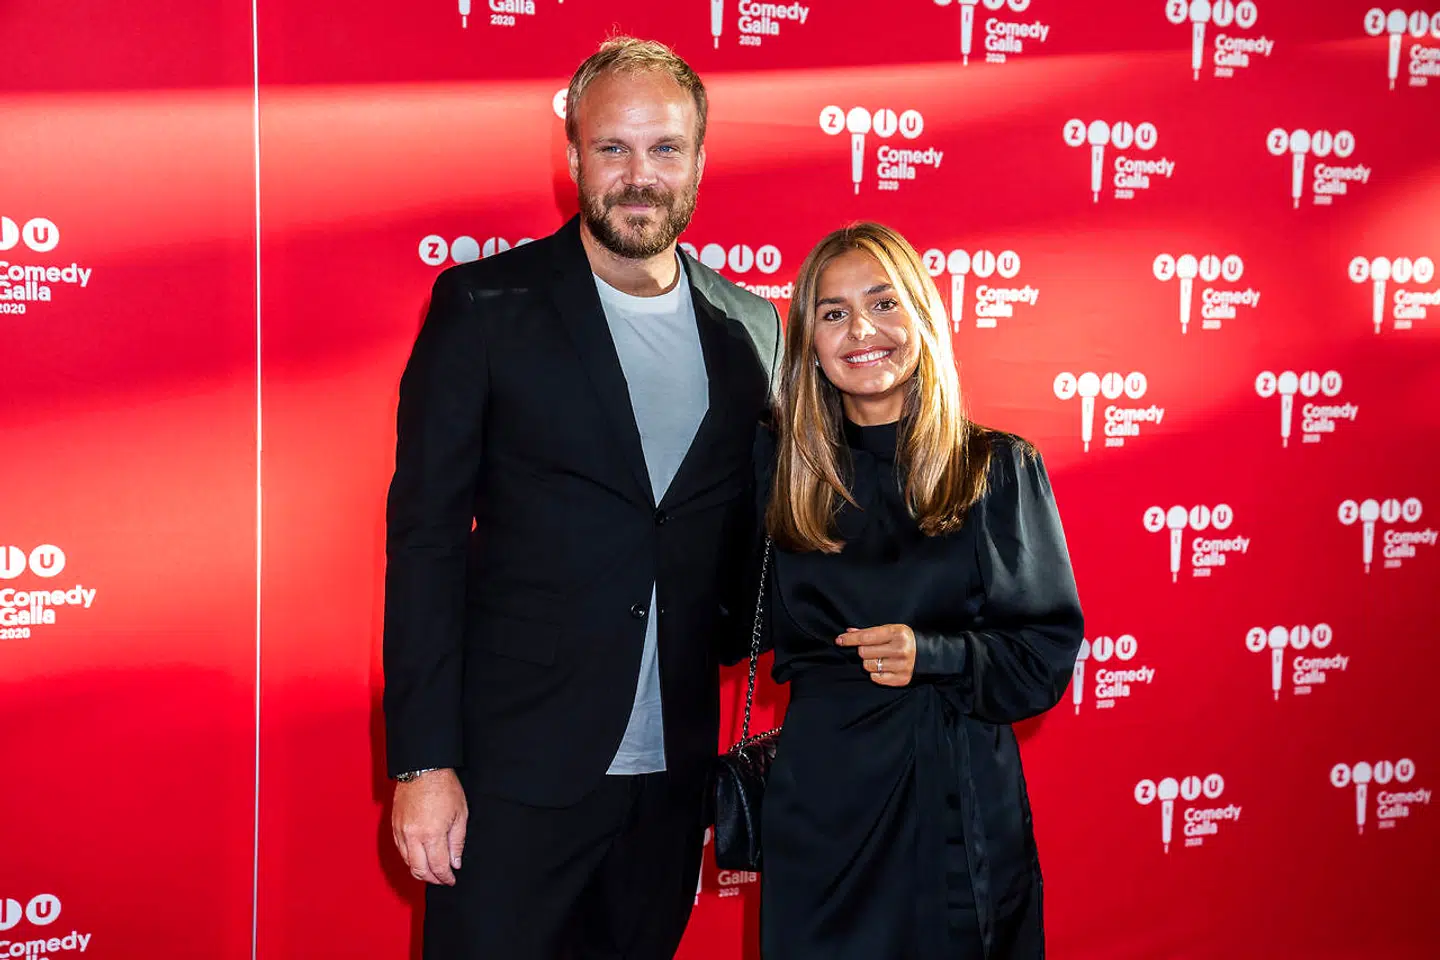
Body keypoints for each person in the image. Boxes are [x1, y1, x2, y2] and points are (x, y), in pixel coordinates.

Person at [381, 36, 781, 959]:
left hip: (670, 781)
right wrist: (424, 762)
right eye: (613, 148)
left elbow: (763, 534)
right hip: (510, 773)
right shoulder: (484, 306)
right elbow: (426, 543)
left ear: (700, 160)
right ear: (573, 157)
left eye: (665, 148)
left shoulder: (751, 326)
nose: (640, 176)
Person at [752, 222, 1084, 959]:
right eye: (833, 313)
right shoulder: (777, 472)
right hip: (821, 804)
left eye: (883, 303)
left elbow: (1043, 658)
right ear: (808, 340)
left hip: (953, 796)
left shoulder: (995, 467)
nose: (861, 331)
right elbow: (719, 612)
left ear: (922, 316)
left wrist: (933, 654)